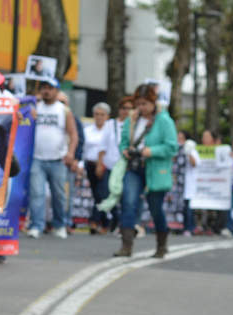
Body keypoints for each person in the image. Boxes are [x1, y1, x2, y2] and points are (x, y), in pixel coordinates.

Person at [115, 82, 177, 257]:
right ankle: (126, 245)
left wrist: (152, 151)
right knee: (128, 201)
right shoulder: (133, 119)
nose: (141, 108)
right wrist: (125, 150)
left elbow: (172, 147)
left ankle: (161, 244)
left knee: (155, 207)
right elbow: (124, 141)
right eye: (139, 104)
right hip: (134, 167)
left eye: (145, 104)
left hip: (155, 169)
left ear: (153, 102)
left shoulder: (164, 120)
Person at [24, 77, 78, 239]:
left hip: (58, 159)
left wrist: (71, 153)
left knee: (59, 195)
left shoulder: (64, 110)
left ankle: (60, 224)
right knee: (36, 194)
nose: (46, 91)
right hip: (37, 158)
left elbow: (73, 134)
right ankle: (36, 225)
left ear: (57, 91)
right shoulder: (35, 108)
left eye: (50, 88)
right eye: (43, 88)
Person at [82, 102, 117, 234]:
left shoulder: (111, 131)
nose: (99, 117)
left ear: (107, 116)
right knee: (97, 195)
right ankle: (107, 221)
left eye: (102, 114)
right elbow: (84, 149)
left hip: (105, 165)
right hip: (90, 164)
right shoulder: (87, 130)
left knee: (102, 193)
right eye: (97, 114)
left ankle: (95, 220)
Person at [176, 129, 198, 235]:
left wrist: (188, 152)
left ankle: (189, 228)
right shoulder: (176, 148)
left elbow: (195, 163)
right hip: (178, 183)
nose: (179, 139)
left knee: (188, 206)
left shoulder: (191, 149)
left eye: (181, 137)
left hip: (187, 182)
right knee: (180, 206)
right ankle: (180, 226)